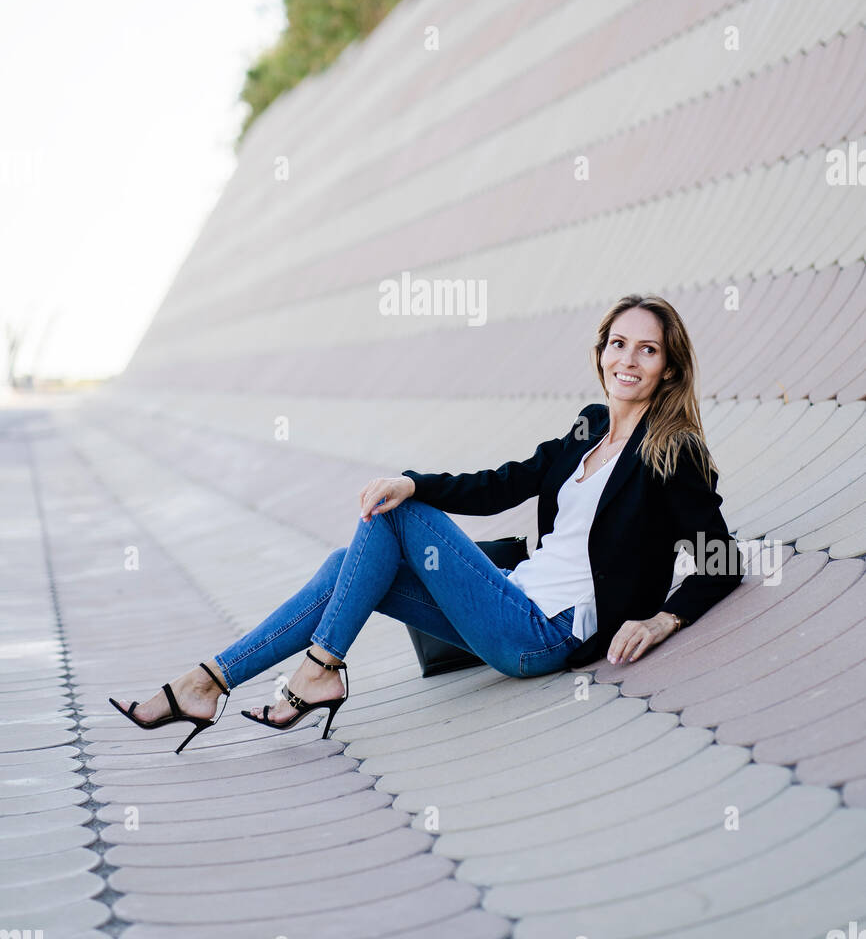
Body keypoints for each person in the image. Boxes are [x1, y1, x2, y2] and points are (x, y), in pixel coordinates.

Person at [108, 293, 743, 752]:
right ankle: (210, 681)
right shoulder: (590, 427)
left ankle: (317, 669)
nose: (628, 359)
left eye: (648, 349)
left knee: (397, 517)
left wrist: (661, 619)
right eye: (618, 343)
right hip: (510, 600)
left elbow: (723, 558)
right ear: (601, 352)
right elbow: (504, 484)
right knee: (348, 563)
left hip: (543, 635)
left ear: (669, 368)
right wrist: (415, 479)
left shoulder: (671, 451)